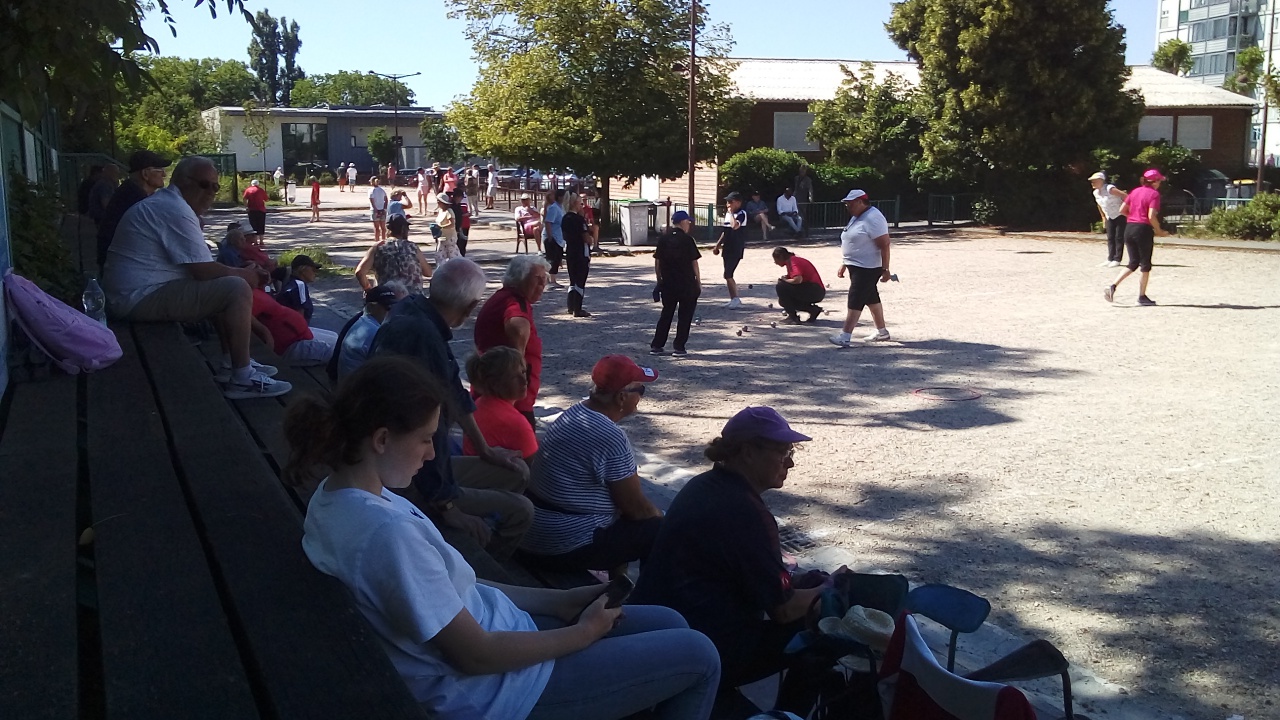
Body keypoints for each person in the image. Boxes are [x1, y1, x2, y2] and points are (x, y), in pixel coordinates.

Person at [284, 356, 721, 720]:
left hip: (503, 640)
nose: (433, 453)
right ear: (382, 439)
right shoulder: (384, 533)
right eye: (424, 439)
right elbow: (474, 656)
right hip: (499, 691)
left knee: (669, 621)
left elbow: (452, 590)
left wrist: (559, 602)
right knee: (700, 654)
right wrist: (583, 633)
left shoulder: (341, 496)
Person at [630, 406, 821, 711]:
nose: (791, 462)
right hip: (700, 648)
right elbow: (783, 610)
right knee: (826, 623)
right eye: (783, 451)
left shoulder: (704, 486)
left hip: (665, 627)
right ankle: (788, 713)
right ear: (747, 452)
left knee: (812, 586)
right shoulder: (747, 512)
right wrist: (831, 589)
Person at [369, 258, 534, 578]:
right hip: (408, 474)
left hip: (416, 462)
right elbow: (424, 437)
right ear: (471, 307)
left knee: (516, 472)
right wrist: (448, 507)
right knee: (522, 511)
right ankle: (483, 574)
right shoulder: (424, 338)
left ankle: (473, 544)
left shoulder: (413, 309)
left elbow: (455, 392)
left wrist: (485, 450)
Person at [102, 156, 290, 399]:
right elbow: (203, 271)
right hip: (134, 298)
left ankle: (230, 364)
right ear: (183, 182)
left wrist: (242, 272)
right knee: (236, 288)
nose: (211, 193)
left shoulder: (168, 204)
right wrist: (246, 275)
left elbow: (205, 270)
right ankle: (242, 379)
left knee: (225, 284)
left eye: (215, 187)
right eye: (205, 185)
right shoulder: (175, 210)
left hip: (133, 293)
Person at [521, 355, 663, 579]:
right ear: (622, 397)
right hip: (560, 544)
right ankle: (645, 600)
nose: (641, 397)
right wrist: (662, 517)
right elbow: (636, 509)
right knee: (659, 530)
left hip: (533, 531)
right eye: (641, 391)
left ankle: (617, 582)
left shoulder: (573, 413)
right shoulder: (611, 436)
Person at [473, 255, 550, 429]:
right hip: (508, 397)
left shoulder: (508, 297)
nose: (542, 284)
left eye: (544, 279)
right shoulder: (513, 300)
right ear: (520, 278)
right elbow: (517, 325)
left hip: (500, 393)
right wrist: (519, 363)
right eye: (537, 279)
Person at [829, 189, 891, 346]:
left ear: (860, 202)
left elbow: (884, 245)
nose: (847, 207)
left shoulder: (873, 218)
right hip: (856, 265)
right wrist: (845, 262)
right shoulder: (857, 216)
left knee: (855, 298)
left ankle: (845, 335)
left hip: (868, 267)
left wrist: (885, 269)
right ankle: (882, 332)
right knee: (871, 298)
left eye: (850, 203)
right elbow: (852, 239)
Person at [1105, 168, 1168, 307]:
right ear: (1155, 182)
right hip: (1143, 230)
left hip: (1130, 228)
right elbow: (1151, 216)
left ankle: (1113, 286)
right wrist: (1159, 230)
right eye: (1159, 181)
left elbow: (1122, 210)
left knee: (1133, 262)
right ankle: (1142, 296)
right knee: (1145, 265)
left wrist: (1133, 218)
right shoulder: (1154, 194)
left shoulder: (1135, 191)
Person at [462, 347, 539, 461]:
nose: (524, 381)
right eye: (513, 377)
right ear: (495, 383)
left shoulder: (480, 404)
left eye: (523, 372)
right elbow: (537, 468)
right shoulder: (515, 423)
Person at [97, 150, 170, 267]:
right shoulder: (136, 198)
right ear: (145, 174)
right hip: (122, 267)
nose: (164, 174)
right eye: (160, 170)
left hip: (118, 261)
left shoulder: (131, 191)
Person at [650, 210, 701, 356]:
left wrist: (659, 279)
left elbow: (657, 262)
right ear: (682, 222)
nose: (689, 224)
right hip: (686, 282)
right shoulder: (688, 240)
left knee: (666, 313)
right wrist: (699, 282)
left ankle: (657, 345)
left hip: (668, 283)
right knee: (685, 316)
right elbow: (694, 263)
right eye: (688, 221)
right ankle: (679, 347)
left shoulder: (663, 239)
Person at [332, 283, 406, 382]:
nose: (392, 312)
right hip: (357, 390)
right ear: (371, 307)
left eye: (394, 307)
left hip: (351, 383)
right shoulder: (373, 332)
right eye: (387, 307)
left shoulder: (363, 322)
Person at [251, 286, 337, 367]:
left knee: (336, 338)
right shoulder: (243, 298)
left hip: (301, 333)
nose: (260, 269)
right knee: (338, 353)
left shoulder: (254, 288)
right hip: (288, 346)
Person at [356, 215, 433, 294]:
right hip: (413, 299)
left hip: (387, 297)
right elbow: (428, 273)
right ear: (403, 230)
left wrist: (368, 290)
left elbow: (360, 272)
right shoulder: (413, 247)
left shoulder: (378, 247)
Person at [711, 191, 747, 309]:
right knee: (727, 274)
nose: (728, 204)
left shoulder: (742, 213)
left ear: (738, 202)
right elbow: (725, 231)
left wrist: (731, 214)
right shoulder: (728, 214)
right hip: (727, 247)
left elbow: (734, 226)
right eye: (727, 202)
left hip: (736, 247)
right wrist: (717, 245)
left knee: (728, 273)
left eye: (730, 202)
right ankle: (733, 298)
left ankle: (736, 299)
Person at [772, 247, 824, 324]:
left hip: (815, 290)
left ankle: (793, 317)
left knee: (781, 287)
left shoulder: (793, 262)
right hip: (816, 290)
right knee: (783, 300)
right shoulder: (792, 260)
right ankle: (813, 310)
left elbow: (797, 280)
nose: (776, 263)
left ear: (781, 257)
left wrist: (784, 280)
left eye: (776, 260)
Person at [562, 192, 593, 318]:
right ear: (575, 204)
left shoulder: (565, 218)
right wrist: (591, 239)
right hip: (581, 251)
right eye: (580, 203)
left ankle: (570, 305)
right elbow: (586, 238)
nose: (582, 206)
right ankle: (577, 308)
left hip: (570, 250)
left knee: (572, 280)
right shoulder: (579, 220)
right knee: (580, 280)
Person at [1090, 171, 1129, 268]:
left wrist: (1127, 209)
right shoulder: (1095, 193)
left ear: (1101, 181)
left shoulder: (1110, 189)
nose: (1092, 183)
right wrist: (1103, 217)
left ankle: (1117, 259)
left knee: (1119, 237)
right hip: (1109, 216)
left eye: (1094, 181)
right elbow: (1099, 205)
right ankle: (1110, 258)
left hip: (1120, 214)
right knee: (1110, 237)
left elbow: (1126, 196)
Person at [278, 254, 318, 322]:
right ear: (302, 270)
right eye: (313, 270)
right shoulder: (300, 285)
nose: (315, 273)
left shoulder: (292, 283)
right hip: (293, 329)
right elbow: (299, 317)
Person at [543, 189, 567, 288]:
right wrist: (550, 237)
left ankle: (553, 280)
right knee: (552, 259)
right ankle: (549, 281)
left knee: (557, 259)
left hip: (559, 237)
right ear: (560, 197)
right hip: (553, 237)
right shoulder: (554, 208)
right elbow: (548, 222)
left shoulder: (561, 208)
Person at [435, 194, 461, 265]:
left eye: (439, 201)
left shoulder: (449, 211)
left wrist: (441, 227)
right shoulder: (440, 211)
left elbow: (452, 224)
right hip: (441, 237)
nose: (438, 203)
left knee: (453, 256)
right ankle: (442, 271)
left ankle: (458, 269)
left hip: (449, 238)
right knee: (439, 256)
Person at [369, 176, 390, 241]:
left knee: (376, 228)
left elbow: (371, 200)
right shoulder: (382, 190)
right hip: (382, 209)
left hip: (375, 210)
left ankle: (377, 240)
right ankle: (384, 240)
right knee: (383, 228)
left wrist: (375, 208)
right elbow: (386, 199)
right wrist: (385, 208)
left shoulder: (371, 190)